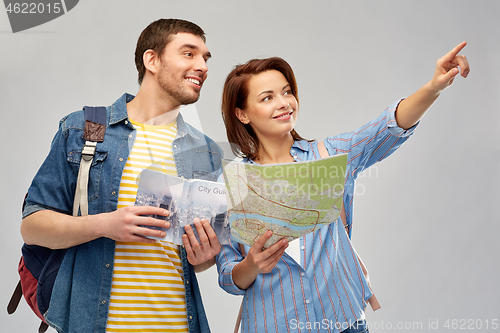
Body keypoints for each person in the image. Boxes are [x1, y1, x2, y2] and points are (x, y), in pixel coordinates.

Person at [216, 43, 469, 333]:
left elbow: (387, 127)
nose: (284, 102)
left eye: (287, 91)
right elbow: (228, 276)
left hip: (343, 323)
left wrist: (434, 86)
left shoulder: (331, 156)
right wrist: (252, 264)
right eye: (267, 97)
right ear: (242, 114)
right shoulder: (231, 184)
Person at [21, 19, 223, 333]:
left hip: (178, 325)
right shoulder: (86, 128)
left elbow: (196, 261)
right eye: (189, 54)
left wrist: (207, 255)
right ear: (151, 60)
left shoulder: (205, 151)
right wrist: (106, 224)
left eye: (205, 58)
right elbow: (32, 226)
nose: (202, 66)